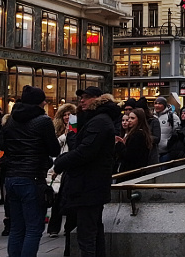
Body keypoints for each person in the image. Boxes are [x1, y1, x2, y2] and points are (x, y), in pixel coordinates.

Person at [53, 87, 120, 257]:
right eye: (81, 97)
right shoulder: (94, 119)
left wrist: (60, 162)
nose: (82, 100)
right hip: (89, 184)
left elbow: (85, 151)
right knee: (93, 229)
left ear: (98, 99)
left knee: (87, 233)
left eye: (87, 97)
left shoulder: (100, 121)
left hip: (90, 185)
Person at [0, 86, 61, 257]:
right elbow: (54, 149)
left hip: (11, 176)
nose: (45, 103)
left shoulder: (11, 120)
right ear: (39, 102)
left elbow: (3, 145)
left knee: (17, 227)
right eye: (43, 100)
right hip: (32, 177)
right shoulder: (43, 121)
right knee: (33, 228)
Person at [46, 102, 76, 239]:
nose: (67, 117)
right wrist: (65, 135)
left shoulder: (76, 129)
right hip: (57, 165)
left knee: (67, 199)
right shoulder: (58, 130)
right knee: (57, 200)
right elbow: (54, 146)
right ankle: (53, 228)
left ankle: (68, 227)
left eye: (69, 114)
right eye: (65, 115)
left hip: (69, 165)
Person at [115, 107, 153, 173]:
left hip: (131, 171)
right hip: (136, 169)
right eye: (129, 118)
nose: (129, 120)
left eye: (132, 118)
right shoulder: (142, 133)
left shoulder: (137, 135)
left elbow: (128, 155)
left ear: (139, 120)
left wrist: (119, 144)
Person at [153, 97, 180, 163]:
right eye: (155, 103)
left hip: (167, 151)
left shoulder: (172, 117)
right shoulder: (151, 116)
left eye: (160, 104)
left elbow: (176, 132)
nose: (157, 105)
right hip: (154, 151)